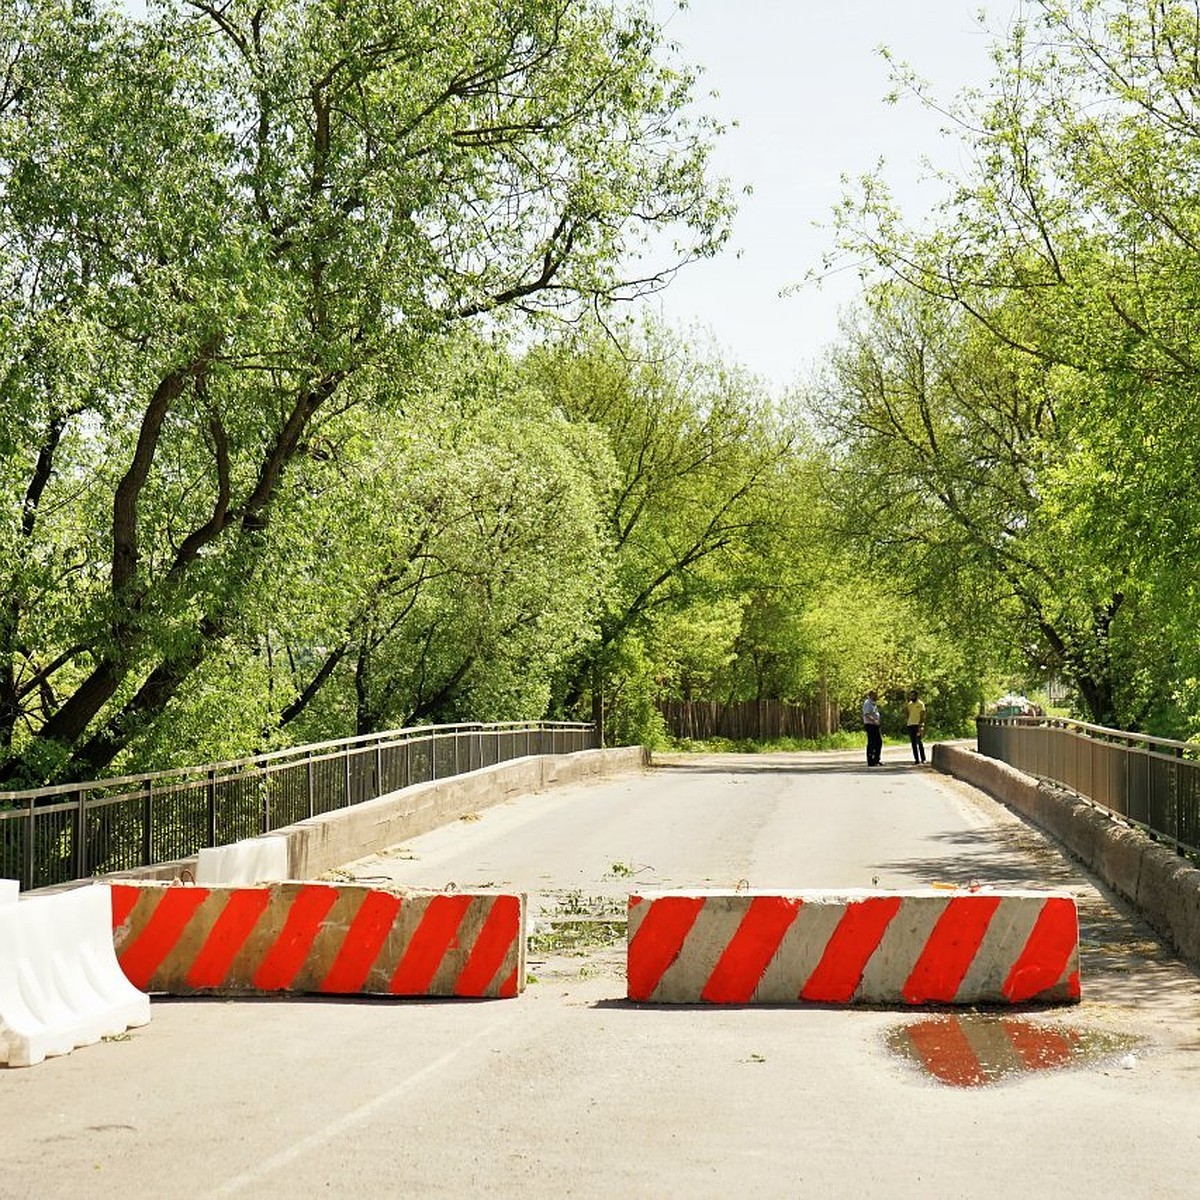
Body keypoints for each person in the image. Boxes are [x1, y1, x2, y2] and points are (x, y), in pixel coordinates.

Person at [905, 689, 926, 764]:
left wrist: (921, 725)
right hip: (910, 724)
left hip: (918, 724)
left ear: (916, 696)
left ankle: (923, 758)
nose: (911, 697)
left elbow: (923, 715)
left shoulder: (920, 704)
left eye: (913, 695)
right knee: (913, 743)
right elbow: (907, 713)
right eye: (911, 695)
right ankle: (916, 759)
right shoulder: (909, 704)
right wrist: (908, 721)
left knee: (919, 741)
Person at [862, 690, 883, 766]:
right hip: (870, 725)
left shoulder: (873, 704)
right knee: (872, 743)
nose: (877, 696)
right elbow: (866, 714)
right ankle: (871, 761)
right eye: (875, 695)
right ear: (871, 695)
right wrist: (874, 720)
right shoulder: (868, 703)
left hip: (875, 725)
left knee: (878, 742)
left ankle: (876, 759)